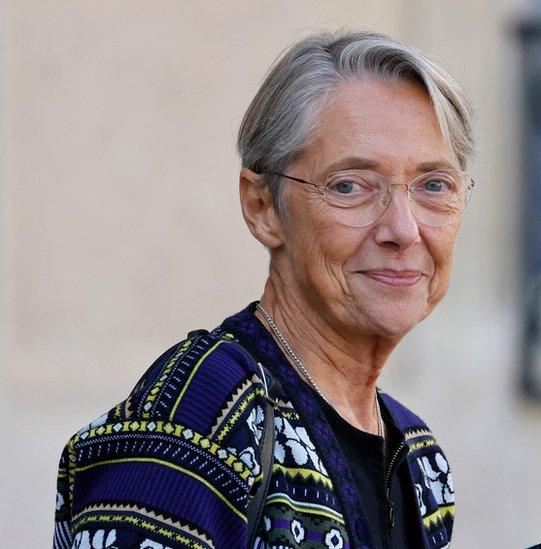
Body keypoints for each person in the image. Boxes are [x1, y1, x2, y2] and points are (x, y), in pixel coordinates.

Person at [53, 30, 475, 549]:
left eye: (434, 185)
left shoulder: (418, 458)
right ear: (263, 207)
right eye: (350, 185)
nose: (403, 229)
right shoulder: (202, 411)